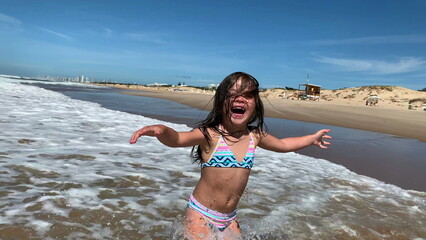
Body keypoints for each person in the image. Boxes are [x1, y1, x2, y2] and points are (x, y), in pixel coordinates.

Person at [129, 72, 331, 239]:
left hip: (229, 217)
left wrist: (310, 139)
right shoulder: (210, 134)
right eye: (233, 94)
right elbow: (178, 139)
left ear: (255, 105)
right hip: (200, 214)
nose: (240, 99)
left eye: (248, 95)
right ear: (221, 102)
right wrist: (162, 131)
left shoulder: (255, 136)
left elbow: (284, 144)